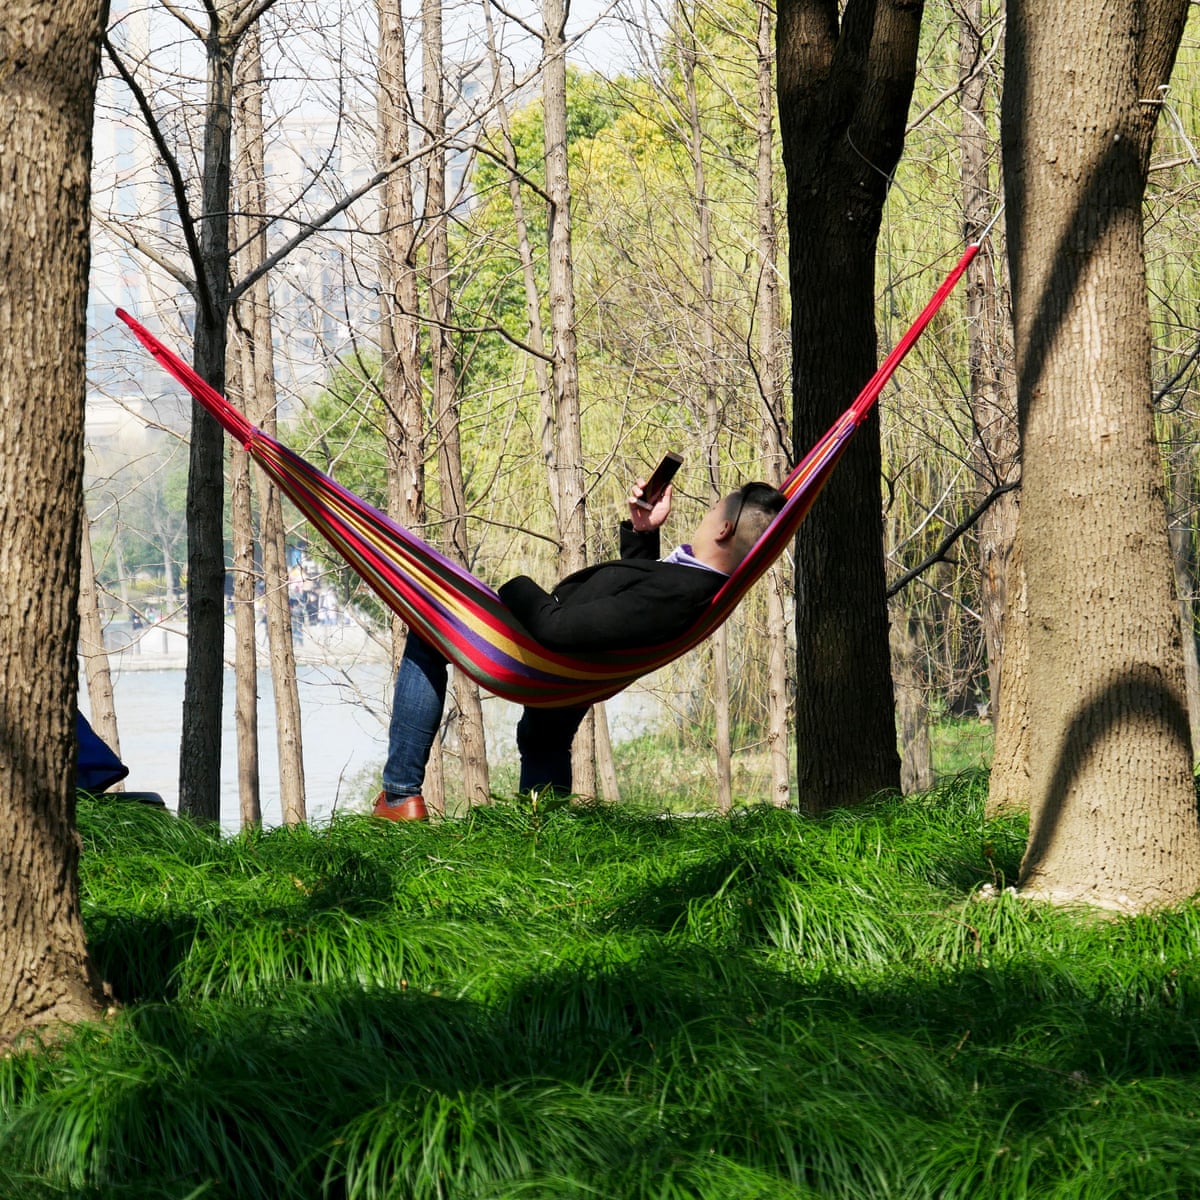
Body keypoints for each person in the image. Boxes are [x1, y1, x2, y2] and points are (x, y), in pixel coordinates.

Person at [373, 477, 787, 820]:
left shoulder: (684, 593)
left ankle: (399, 796)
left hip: (553, 656)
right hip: (574, 668)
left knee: (429, 636)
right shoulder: (694, 582)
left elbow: (556, 628)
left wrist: (512, 585)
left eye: (712, 510)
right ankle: (541, 830)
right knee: (543, 738)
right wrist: (643, 533)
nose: (704, 516)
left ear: (724, 529)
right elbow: (633, 600)